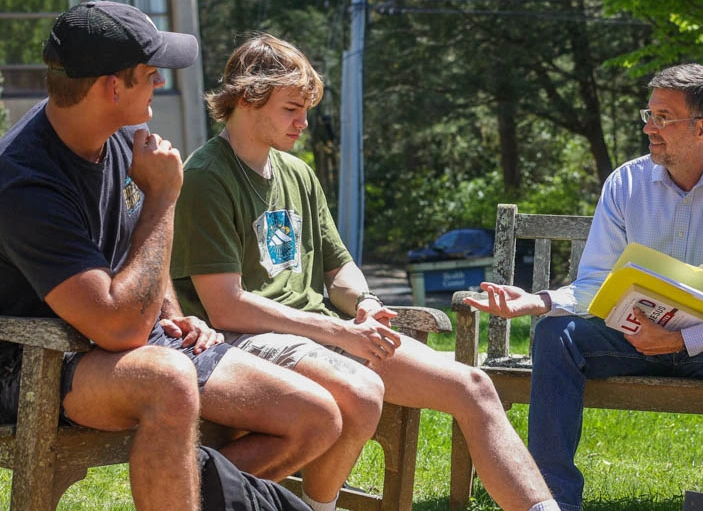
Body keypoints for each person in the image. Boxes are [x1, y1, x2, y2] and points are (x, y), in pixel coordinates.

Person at [170, 32, 560, 511]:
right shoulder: (208, 176)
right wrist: (338, 330)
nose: (304, 122)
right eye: (292, 108)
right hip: (241, 340)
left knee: (473, 386)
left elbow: (338, 268)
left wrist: (367, 305)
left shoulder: (297, 173)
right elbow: (225, 305)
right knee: (360, 392)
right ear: (249, 98)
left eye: (306, 108)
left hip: (314, 333)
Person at [0, 2, 343, 511]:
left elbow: (138, 256)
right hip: (38, 361)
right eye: (150, 74)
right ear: (111, 87)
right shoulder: (25, 182)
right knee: (169, 380)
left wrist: (174, 314)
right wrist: (163, 199)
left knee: (315, 416)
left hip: (120, 343)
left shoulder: (119, 143)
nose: (161, 82)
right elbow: (118, 327)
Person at [465, 63, 703, 511]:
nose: (649, 127)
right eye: (649, 114)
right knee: (555, 333)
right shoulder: (626, 183)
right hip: (634, 340)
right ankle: (551, 503)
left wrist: (684, 338)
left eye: (663, 117)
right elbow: (595, 282)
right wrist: (539, 301)